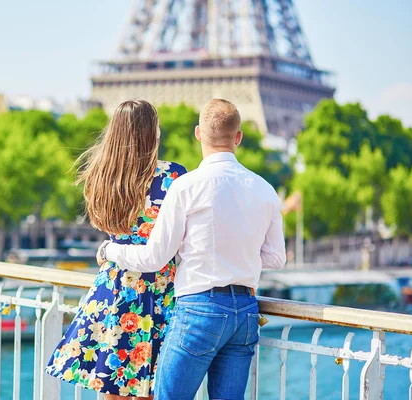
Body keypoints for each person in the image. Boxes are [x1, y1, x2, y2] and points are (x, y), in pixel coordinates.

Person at [97, 99, 286, 400]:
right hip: (246, 313)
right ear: (238, 137)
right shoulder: (265, 189)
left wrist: (109, 251)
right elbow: (277, 258)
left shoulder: (185, 186)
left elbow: (154, 257)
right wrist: (237, 252)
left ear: (198, 134)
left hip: (200, 308)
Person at [45, 99, 187, 399]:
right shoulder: (172, 176)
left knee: (112, 383)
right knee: (151, 386)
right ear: (152, 132)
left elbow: (105, 227)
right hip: (158, 289)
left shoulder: (102, 175)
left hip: (114, 287)